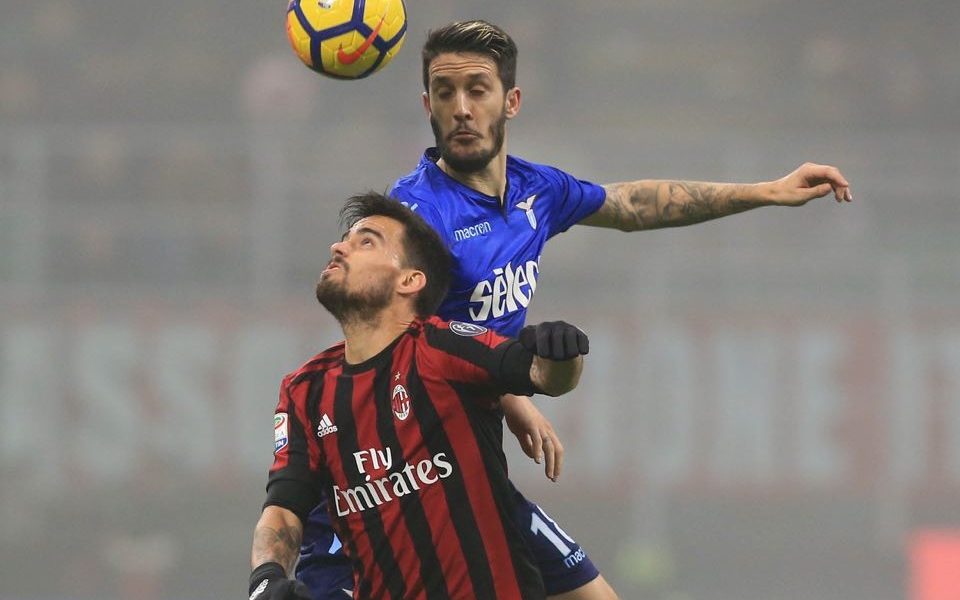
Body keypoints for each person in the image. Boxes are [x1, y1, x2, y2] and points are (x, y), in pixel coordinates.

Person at [298, 19, 855, 600]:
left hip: (467, 452)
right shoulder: (415, 214)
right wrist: (513, 396)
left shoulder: (537, 190)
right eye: (445, 93)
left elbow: (632, 204)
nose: (461, 108)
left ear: (511, 101)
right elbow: (404, 337)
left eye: (477, 90)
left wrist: (767, 191)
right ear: (427, 106)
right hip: (400, 465)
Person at [249, 192, 590, 600]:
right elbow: (284, 507)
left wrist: (562, 351)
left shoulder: (442, 348)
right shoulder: (305, 390)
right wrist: (265, 578)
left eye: (366, 241)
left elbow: (542, 374)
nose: (338, 247)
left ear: (410, 280)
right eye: (345, 239)